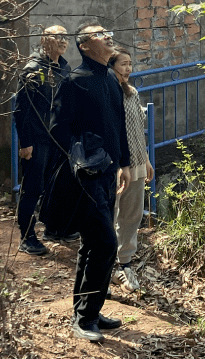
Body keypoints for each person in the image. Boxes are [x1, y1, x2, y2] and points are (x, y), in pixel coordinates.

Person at [49, 23, 132, 343]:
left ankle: (88, 310)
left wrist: (123, 163)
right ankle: (84, 318)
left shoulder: (111, 78)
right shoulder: (74, 82)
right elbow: (58, 130)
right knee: (106, 243)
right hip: (87, 176)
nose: (108, 35)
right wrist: (86, 152)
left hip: (110, 173)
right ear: (84, 46)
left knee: (92, 245)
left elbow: (119, 125)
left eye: (108, 31)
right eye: (100, 34)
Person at [12, 24, 74, 256]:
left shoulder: (64, 68)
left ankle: (54, 228)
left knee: (54, 186)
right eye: (57, 36)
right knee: (32, 189)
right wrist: (25, 143)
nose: (62, 40)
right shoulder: (33, 69)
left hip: (57, 141)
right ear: (44, 40)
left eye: (65, 37)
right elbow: (21, 110)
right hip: (37, 141)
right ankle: (27, 237)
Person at [108, 49, 154, 293]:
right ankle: (107, 265)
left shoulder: (132, 93)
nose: (127, 69)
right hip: (116, 166)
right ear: (111, 65)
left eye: (130, 64)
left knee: (132, 215)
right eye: (123, 64)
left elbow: (137, 130)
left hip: (136, 163)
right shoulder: (107, 93)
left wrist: (146, 159)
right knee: (111, 214)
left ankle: (125, 262)